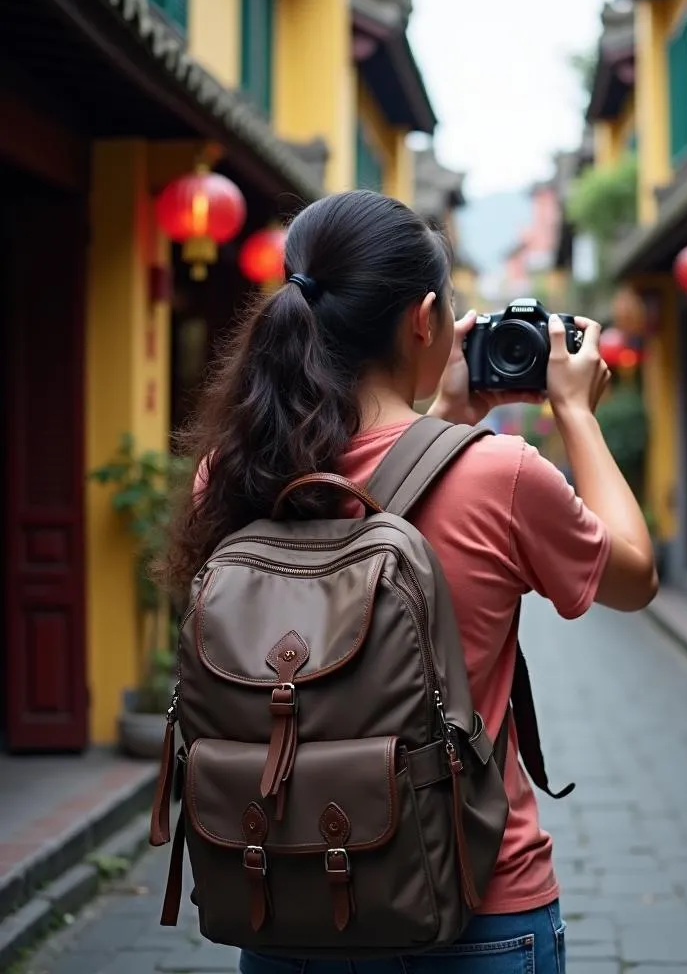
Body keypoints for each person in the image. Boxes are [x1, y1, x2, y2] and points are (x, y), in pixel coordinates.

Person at [161, 190, 658, 974]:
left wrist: (446, 421)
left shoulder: (230, 473)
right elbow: (635, 577)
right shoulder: (499, 473)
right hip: (478, 904)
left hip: (286, 900)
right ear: (424, 320)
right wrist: (578, 415)